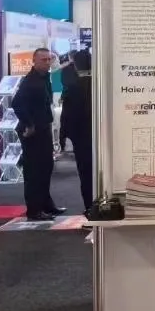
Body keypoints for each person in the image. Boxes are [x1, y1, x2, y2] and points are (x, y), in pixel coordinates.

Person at [11, 47, 61, 221]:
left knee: (46, 167)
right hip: (32, 132)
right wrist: (29, 124)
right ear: (34, 61)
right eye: (43, 60)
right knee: (34, 171)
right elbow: (16, 104)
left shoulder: (45, 78)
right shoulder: (30, 81)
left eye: (49, 59)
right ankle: (34, 210)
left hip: (43, 127)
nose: (47, 63)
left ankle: (46, 205)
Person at [58, 49, 93, 212]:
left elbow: (66, 115)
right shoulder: (100, 85)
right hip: (99, 138)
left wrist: (63, 137)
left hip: (80, 138)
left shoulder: (72, 88)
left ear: (76, 66)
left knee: (85, 174)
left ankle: (89, 208)